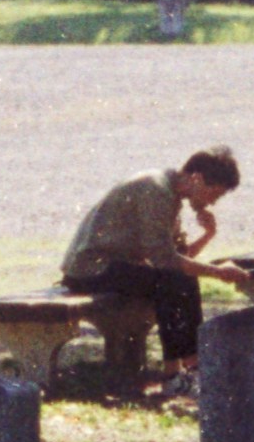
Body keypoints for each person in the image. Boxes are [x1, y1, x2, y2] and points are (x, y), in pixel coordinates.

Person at [61, 145, 240, 379]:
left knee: (177, 281)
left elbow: (178, 256)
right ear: (196, 179)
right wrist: (218, 272)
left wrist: (207, 235)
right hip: (90, 269)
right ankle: (184, 371)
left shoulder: (172, 197)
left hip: (113, 268)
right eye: (214, 194)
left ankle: (184, 369)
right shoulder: (155, 190)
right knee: (174, 282)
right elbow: (165, 260)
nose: (213, 203)